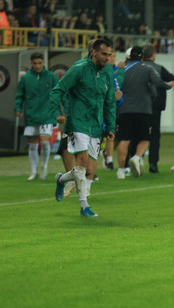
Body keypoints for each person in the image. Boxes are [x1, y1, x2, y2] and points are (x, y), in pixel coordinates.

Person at [50, 38, 117, 218]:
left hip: (96, 125)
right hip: (77, 122)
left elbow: (110, 103)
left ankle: (61, 179)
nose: (107, 58)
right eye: (104, 54)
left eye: (109, 55)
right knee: (82, 161)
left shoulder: (107, 75)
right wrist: (57, 111)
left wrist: (111, 126)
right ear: (93, 52)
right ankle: (84, 207)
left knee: (89, 170)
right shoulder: (79, 69)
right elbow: (57, 90)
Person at [115, 45, 168, 179]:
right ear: (143, 57)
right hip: (143, 110)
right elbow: (159, 83)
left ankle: (121, 170)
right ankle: (137, 157)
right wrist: (170, 85)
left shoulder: (122, 70)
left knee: (124, 140)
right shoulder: (147, 69)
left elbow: (116, 86)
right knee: (145, 139)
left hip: (125, 110)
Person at [15, 52, 58, 180]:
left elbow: (58, 93)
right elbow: (19, 95)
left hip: (46, 115)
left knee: (45, 143)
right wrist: (18, 108)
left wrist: (60, 110)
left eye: (39, 63)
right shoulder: (26, 78)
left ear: (44, 63)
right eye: (35, 63)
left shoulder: (51, 77)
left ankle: (44, 167)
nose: (37, 66)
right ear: (31, 64)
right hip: (31, 115)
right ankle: (33, 171)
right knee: (32, 144)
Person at [140, 44, 174, 173]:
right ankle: (153, 164)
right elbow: (172, 78)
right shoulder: (159, 69)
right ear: (153, 55)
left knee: (140, 135)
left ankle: (137, 159)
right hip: (156, 107)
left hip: (141, 107)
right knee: (154, 136)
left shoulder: (138, 68)